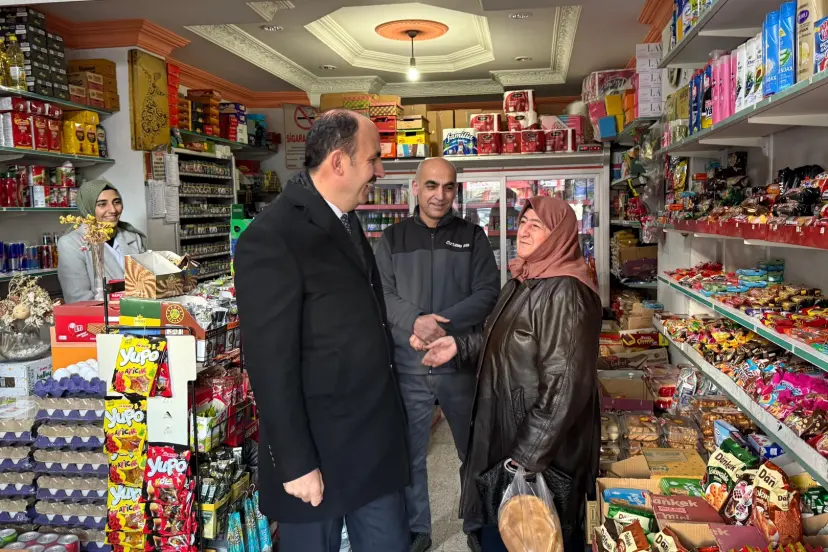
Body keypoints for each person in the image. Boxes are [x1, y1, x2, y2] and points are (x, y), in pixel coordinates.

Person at [234, 110, 410, 552]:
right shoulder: (273, 236)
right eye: (373, 159)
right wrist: (295, 463)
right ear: (338, 162)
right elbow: (269, 362)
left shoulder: (345, 219)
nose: (380, 171)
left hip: (371, 443)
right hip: (317, 454)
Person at [420, 196, 602, 551]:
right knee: (507, 531)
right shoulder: (526, 279)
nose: (525, 231)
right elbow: (506, 340)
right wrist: (460, 346)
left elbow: (565, 387)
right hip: (511, 439)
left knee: (538, 535)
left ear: (559, 236)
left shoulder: (566, 292)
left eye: (538, 225)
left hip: (540, 454)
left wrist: (526, 457)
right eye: (523, 222)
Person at [375, 158, 500, 552]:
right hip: (408, 366)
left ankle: (476, 523)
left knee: (472, 452)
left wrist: (440, 326)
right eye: (431, 185)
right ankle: (418, 528)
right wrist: (415, 322)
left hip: (459, 364)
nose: (440, 195)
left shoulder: (472, 236)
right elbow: (381, 294)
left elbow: (488, 293)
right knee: (410, 455)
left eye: (448, 187)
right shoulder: (392, 239)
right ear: (415, 187)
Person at [57, 179, 147, 303]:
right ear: (88, 207)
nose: (113, 210)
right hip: (103, 315)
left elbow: (148, 284)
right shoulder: (71, 244)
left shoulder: (133, 237)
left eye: (116, 202)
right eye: (102, 204)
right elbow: (78, 299)